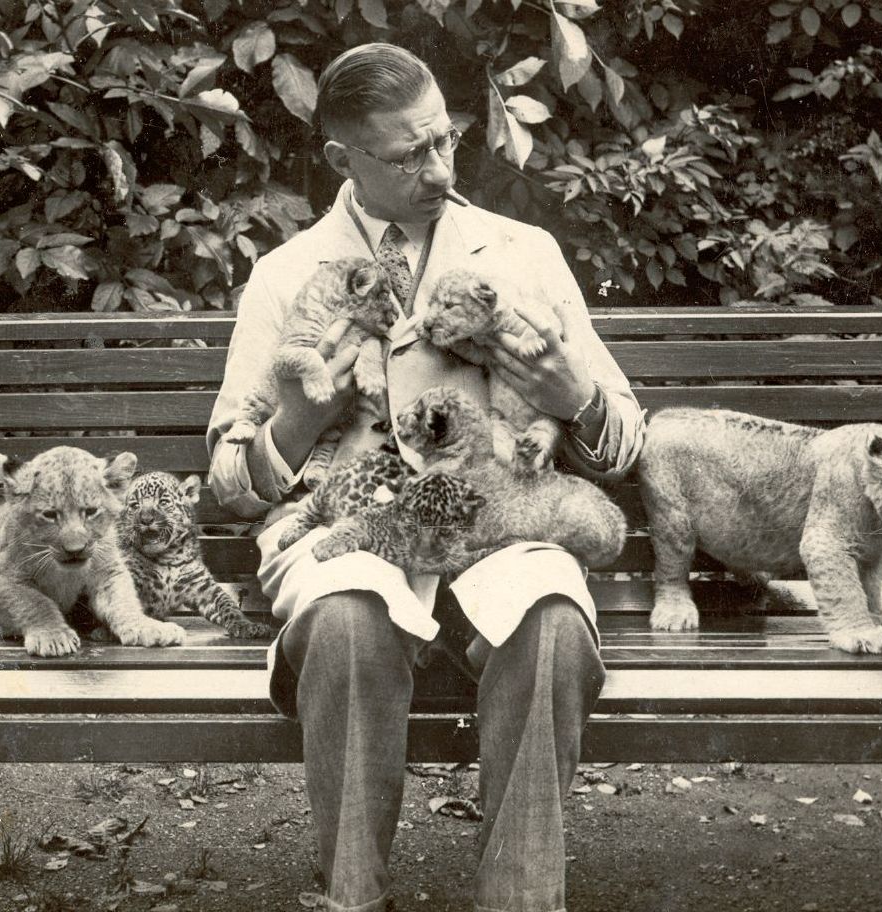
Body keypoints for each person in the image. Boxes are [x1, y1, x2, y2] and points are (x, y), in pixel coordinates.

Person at [206, 42, 644, 912]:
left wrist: (575, 395)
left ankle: (519, 902)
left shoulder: (521, 252)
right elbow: (229, 479)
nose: (440, 169)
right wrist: (303, 414)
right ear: (342, 159)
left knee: (553, 619)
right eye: (409, 155)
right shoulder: (287, 276)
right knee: (346, 618)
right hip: (354, 527)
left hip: (500, 521)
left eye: (446, 140)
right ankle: (355, 899)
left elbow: (625, 438)